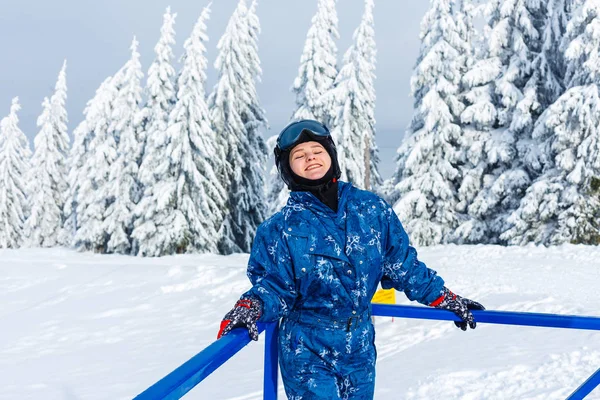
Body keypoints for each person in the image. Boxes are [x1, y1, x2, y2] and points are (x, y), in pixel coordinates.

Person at [217, 119, 485, 399]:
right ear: (288, 169)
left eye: (317, 151)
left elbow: (402, 265)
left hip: (359, 346)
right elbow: (273, 287)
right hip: (307, 350)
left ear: (331, 157)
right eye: (299, 155)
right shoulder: (278, 229)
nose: (310, 157)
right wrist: (252, 306)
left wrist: (444, 297)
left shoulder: (371, 209)